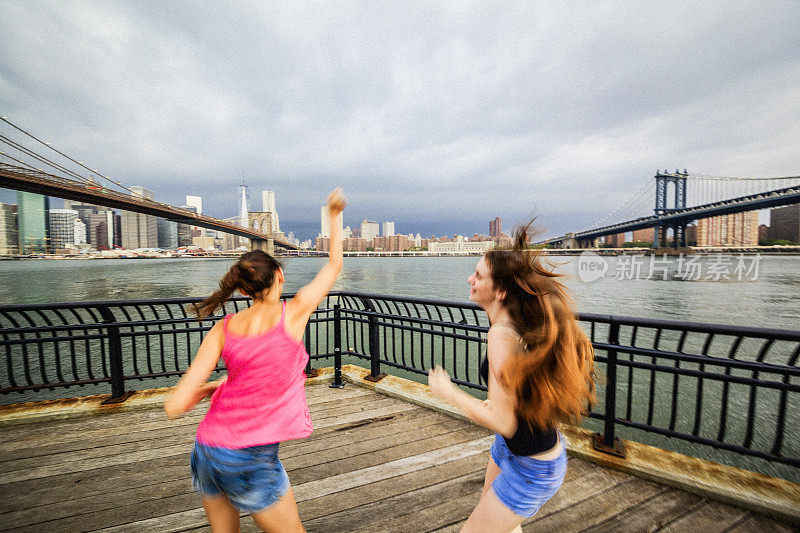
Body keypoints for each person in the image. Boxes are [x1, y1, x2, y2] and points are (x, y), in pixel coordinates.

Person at [165, 188, 346, 533]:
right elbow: (335, 264)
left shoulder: (223, 328)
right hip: (249, 458)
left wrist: (211, 389)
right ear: (280, 275)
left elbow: (174, 406)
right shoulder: (294, 313)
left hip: (206, 450)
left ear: (244, 290)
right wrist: (334, 215)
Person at [428, 222, 595, 532]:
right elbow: (509, 408)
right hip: (515, 448)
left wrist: (449, 392)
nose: (470, 279)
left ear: (500, 291)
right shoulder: (511, 327)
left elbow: (505, 422)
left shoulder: (502, 337)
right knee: (498, 525)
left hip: (533, 468)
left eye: (478, 276)